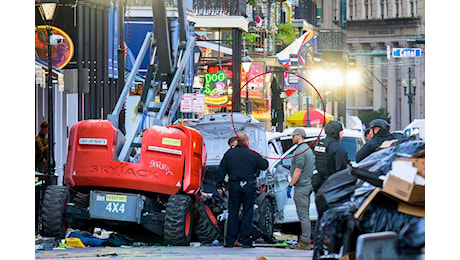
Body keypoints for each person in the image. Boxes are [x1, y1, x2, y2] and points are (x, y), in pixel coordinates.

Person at [216, 133, 268, 248]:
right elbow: (264, 165)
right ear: (247, 141)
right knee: (247, 212)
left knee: (233, 212)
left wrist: (219, 184)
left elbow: (221, 170)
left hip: (234, 186)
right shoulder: (252, 154)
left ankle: (230, 240)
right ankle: (245, 240)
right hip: (248, 185)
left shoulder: (229, 154)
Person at [287, 128, 315, 250]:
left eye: (293, 136)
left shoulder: (300, 151)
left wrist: (290, 185)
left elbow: (298, 170)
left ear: (298, 136)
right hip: (308, 184)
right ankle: (305, 239)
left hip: (302, 186)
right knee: (305, 214)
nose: (292, 139)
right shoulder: (307, 149)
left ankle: (305, 242)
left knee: (303, 215)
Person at [312, 120, 349, 192]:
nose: (342, 133)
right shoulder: (337, 147)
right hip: (333, 184)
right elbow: (341, 169)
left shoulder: (320, 143)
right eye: (341, 131)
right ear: (336, 132)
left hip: (320, 183)